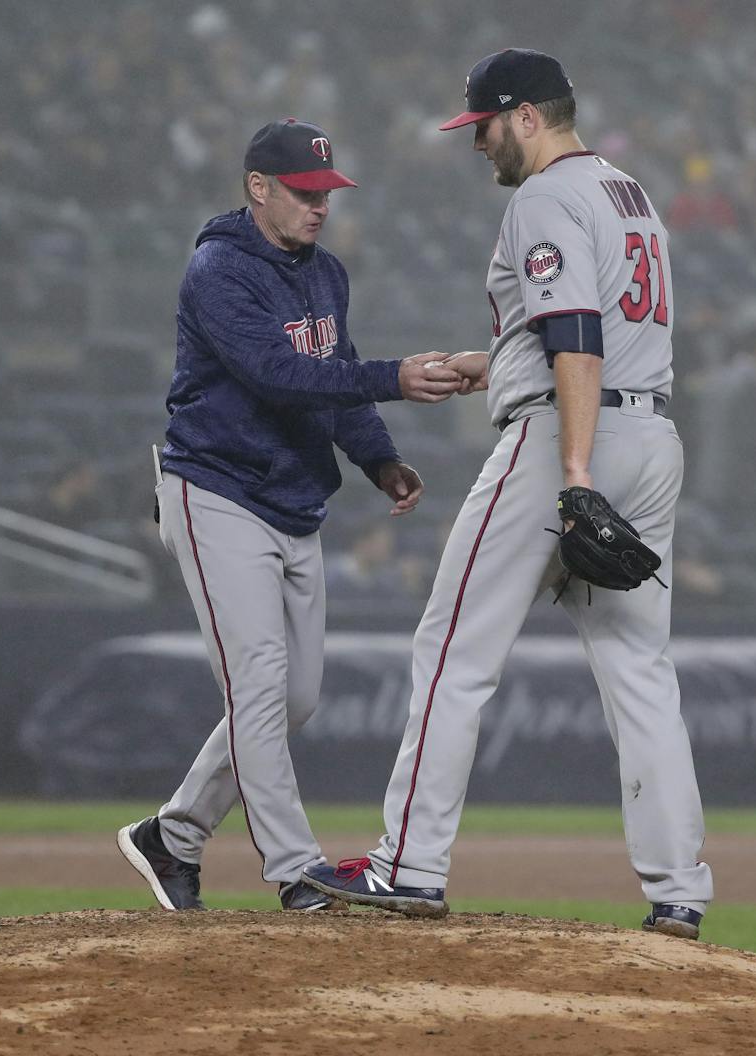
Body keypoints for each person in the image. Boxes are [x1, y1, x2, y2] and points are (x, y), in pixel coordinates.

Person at [301, 50, 714, 938]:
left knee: (451, 649)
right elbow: (590, 336)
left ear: (525, 116)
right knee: (640, 671)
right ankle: (679, 892)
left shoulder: (544, 197)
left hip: (568, 445)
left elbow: (576, 333)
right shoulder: (629, 195)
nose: (477, 144)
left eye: (482, 126)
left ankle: (407, 865)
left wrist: (571, 471)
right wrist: (497, 367)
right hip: (649, 436)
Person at [118, 118, 470, 913]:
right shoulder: (219, 268)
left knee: (294, 699)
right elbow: (278, 376)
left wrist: (379, 458)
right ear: (258, 188)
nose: (319, 206)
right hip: (214, 491)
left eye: (326, 194)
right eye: (305, 193)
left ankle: (171, 836)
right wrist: (394, 379)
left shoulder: (325, 274)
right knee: (261, 684)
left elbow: (332, 373)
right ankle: (295, 868)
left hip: (293, 500)